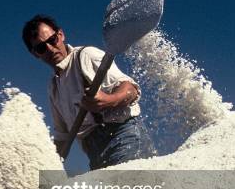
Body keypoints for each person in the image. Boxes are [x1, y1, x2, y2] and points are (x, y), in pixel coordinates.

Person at [22, 15, 155, 169]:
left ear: (60, 35)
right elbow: (62, 137)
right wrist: (46, 167)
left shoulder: (85, 56)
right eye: (41, 48)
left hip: (123, 135)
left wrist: (107, 100)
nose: (50, 49)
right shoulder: (53, 87)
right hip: (94, 153)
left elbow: (130, 88)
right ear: (35, 54)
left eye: (52, 40)